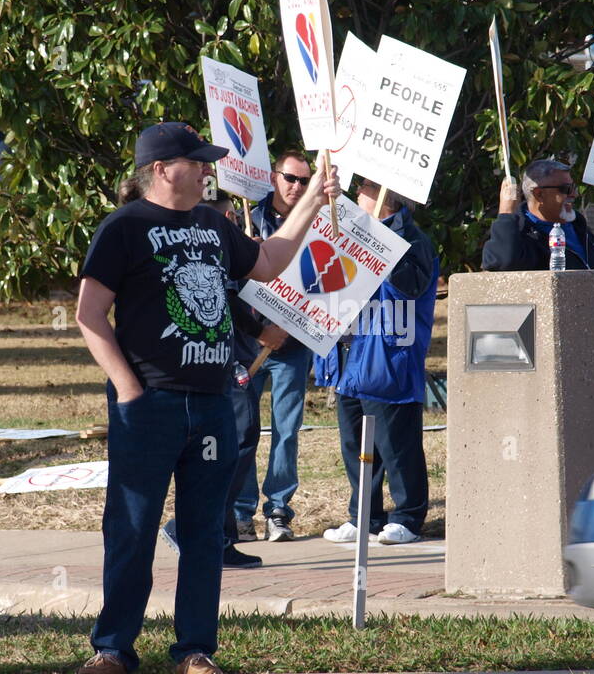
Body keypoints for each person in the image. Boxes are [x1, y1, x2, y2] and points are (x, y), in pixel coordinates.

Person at [75, 123, 336, 674]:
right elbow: (89, 315)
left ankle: (195, 650)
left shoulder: (213, 225)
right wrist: (128, 390)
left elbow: (268, 261)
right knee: (133, 527)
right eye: (195, 162)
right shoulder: (123, 228)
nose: (206, 170)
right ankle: (114, 648)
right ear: (162, 169)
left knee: (203, 534)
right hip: (150, 404)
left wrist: (312, 200)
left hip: (213, 402)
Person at [159, 191, 288, 570]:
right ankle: (190, 527)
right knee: (234, 445)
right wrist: (262, 332)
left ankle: (220, 536)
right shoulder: (210, 246)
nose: (231, 223)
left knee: (237, 444)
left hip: (228, 359)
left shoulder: (219, 243)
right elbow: (228, 301)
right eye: (227, 218)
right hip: (222, 361)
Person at [481, 158, 594, 450]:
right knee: (571, 449)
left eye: (573, 186)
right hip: (564, 359)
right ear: (538, 194)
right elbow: (500, 263)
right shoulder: (522, 233)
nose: (573, 195)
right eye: (565, 188)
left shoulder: (578, 229)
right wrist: (506, 213)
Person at [317, 179, 438, 545]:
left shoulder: (413, 240)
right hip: (350, 353)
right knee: (355, 442)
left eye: (366, 189)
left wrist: (378, 245)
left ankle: (408, 517)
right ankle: (363, 515)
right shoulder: (353, 231)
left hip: (388, 354)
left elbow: (410, 285)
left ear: (386, 197)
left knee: (395, 443)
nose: (358, 195)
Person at [236, 151, 315, 542]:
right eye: (290, 178)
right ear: (273, 176)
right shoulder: (245, 216)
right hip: (249, 342)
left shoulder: (316, 223)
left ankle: (279, 509)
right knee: (243, 429)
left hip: (292, 344)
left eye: (304, 181)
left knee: (287, 429)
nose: (296, 187)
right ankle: (240, 511)